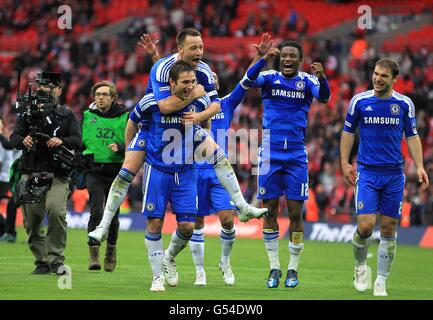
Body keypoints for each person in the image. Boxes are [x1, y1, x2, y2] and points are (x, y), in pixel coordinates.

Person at [88, 29, 268, 243]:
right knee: (126, 172)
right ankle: (103, 226)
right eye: (194, 47)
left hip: (182, 127)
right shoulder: (163, 69)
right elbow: (165, 107)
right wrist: (195, 95)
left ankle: (242, 206)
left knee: (218, 155)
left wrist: (199, 116)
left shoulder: (203, 70)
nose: (199, 52)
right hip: (152, 126)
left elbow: (215, 105)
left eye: (201, 47)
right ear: (180, 49)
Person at [242, 40, 330, 288]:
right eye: (285, 56)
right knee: (269, 210)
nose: (288, 59)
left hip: (295, 155)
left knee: (295, 212)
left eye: (293, 56)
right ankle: (274, 268)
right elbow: (247, 81)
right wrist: (261, 58)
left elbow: (324, 97)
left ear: (300, 60)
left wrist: (322, 78)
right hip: (269, 154)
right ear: (280, 59)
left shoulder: (308, 81)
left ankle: (293, 269)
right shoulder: (269, 77)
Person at [340, 58, 429, 296]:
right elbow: (348, 132)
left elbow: (412, 136)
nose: (378, 78)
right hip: (367, 173)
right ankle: (360, 267)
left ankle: (381, 280)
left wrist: (419, 166)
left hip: (393, 175)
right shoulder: (359, 101)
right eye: (376, 74)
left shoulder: (403, 104)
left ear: (394, 79)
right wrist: (345, 162)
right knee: (366, 226)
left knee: (389, 229)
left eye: (384, 76)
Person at [139, 61, 213, 291]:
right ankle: (156, 277)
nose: (191, 86)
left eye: (193, 82)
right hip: (157, 168)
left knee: (188, 226)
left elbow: (208, 127)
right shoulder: (152, 101)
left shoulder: (201, 101)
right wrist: (130, 152)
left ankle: (169, 257)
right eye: (185, 82)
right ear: (171, 83)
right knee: (155, 221)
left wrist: (198, 122)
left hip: (186, 170)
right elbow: (133, 121)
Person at [9, 72, 82, 275]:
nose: (43, 90)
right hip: (30, 171)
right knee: (31, 221)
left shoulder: (66, 115)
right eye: (40, 86)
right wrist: (23, 141)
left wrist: (62, 141)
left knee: (55, 211)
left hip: (58, 173)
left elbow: (78, 140)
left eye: (49, 86)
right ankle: (41, 260)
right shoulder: (26, 113)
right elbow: (14, 137)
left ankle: (56, 259)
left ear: (59, 90)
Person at [82, 81, 129, 272]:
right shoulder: (87, 115)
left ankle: (111, 250)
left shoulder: (124, 116)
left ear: (113, 98)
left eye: (105, 94)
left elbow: (135, 140)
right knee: (96, 211)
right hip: (94, 171)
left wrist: (122, 147)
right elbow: (81, 139)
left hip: (116, 171)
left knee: (114, 216)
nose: (100, 97)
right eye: (98, 94)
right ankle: (94, 255)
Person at [0, 117, 20, 243]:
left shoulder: (17, 143)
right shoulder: (16, 144)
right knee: (12, 204)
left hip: (13, 177)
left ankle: (8, 231)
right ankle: (8, 231)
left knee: (12, 204)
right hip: (15, 177)